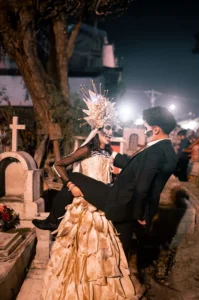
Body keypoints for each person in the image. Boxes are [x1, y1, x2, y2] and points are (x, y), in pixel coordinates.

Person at [37, 86, 137, 300]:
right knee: (81, 250)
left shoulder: (109, 151)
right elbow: (59, 165)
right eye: (106, 129)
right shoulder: (87, 150)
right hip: (84, 201)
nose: (110, 133)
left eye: (112, 128)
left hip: (102, 202)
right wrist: (71, 186)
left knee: (104, 252)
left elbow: (128, 165)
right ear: (97, 129)